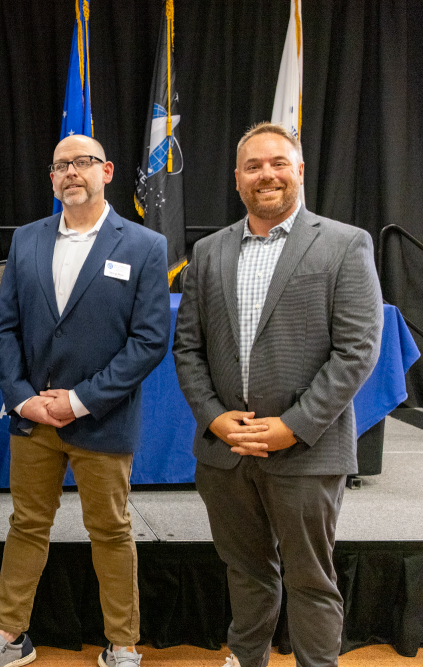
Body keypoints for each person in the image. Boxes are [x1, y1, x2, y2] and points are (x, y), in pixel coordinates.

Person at [172, 122, 383, 667]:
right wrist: (216, 419)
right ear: (237, 179)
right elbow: (187, 350)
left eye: (277, 163)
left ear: (299, 171)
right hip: (225, 453)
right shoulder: (209, 252)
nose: (266, 174)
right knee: (245, 574)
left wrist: (293, 425)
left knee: (312, 579)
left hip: (307, 450)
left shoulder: (343, 243)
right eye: (253, 166)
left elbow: (357, 350)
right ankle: (247, 660)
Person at [0, 134, 170, 667]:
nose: (71, 173)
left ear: (106, 170)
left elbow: (150, 341)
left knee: (110, 529)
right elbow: (5, 328)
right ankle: (10, 636)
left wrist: (80, 401)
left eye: (82, 163)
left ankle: (123, 643)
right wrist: (21, 399)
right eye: (61, 165)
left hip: (101, 418)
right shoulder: (27, 241)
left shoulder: (144, 246)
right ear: (53, 178)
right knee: (27, 525)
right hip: (34, 420)